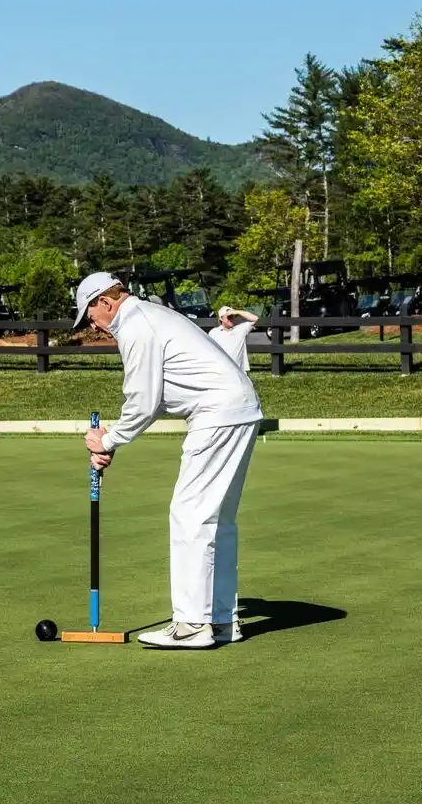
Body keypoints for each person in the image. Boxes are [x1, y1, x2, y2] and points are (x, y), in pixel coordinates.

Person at [74, 271, 263, 650]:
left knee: (190, 514)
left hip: (218, 413)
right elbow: (156, 397)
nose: (93, 326)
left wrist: (108, 440)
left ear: (105, 302)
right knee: (217, 520)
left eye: (90, 316)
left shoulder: (135, 325)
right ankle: (221, 620)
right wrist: (112, 443)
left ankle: (192, 624)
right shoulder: (151, 316)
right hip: (238, 409)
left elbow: (142, 399)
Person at [207, 305, 259, 372]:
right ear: (221, 318)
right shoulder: (214, 332)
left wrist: (237, 312)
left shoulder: (240, 329)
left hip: (239, 371)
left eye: (232, 316)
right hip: (220, 370)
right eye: (228, 317)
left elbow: (255, 318)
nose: (231, 319)